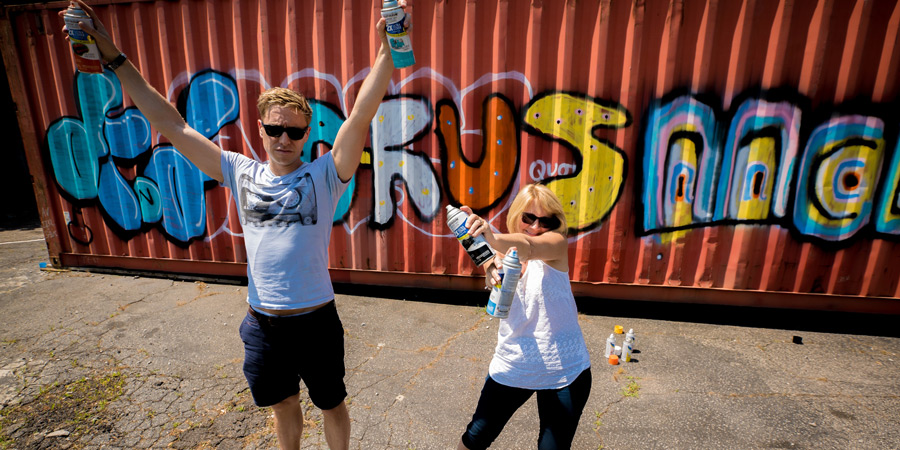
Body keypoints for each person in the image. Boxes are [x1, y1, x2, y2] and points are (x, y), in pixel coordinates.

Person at [61, 1, 404, 448]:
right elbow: (173, 124)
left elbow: (360, 114)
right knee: (282, 404)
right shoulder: (241, 172)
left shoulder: (324, 174)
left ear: (308, 133)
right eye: (275, 129)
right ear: (260, 129)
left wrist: (387, 50)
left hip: (316, 320)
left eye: (296, 132)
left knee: (331, 403)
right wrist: (115, 59)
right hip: (263, 322)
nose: (285, 139)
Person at [456, 183, 593, 450]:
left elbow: (528, 245)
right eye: (528, 217)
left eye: (546, 220)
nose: (535, 226)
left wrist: (492, 236)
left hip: (564, 368)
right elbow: (488, 259)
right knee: (475, 436)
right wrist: (488, 268)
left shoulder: (555, 244)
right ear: (516, 215)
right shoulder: (500, 252)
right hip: (516, 361)